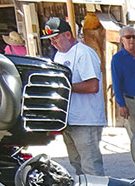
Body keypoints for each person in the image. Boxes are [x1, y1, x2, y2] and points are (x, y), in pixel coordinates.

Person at [42, 16, 106, 176]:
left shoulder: (84, 53)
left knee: (91, 166)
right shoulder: (58, 56)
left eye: (55, 38)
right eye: (50, 39)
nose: (53, 43)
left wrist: (65, 87)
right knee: (77, 165)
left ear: (68, 35)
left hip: (86, 119)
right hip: (68, 119)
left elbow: (93, 86)